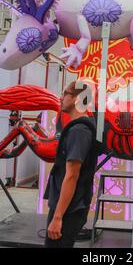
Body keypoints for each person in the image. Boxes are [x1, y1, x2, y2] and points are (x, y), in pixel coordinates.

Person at [44, 80, 97, 248]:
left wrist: (58, 217)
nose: (60, 98)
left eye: (65, 93)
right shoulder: (80, 128)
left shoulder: (79, 131)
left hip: (69, 210)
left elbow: (72, 176)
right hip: (70, 207)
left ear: (76, 99)